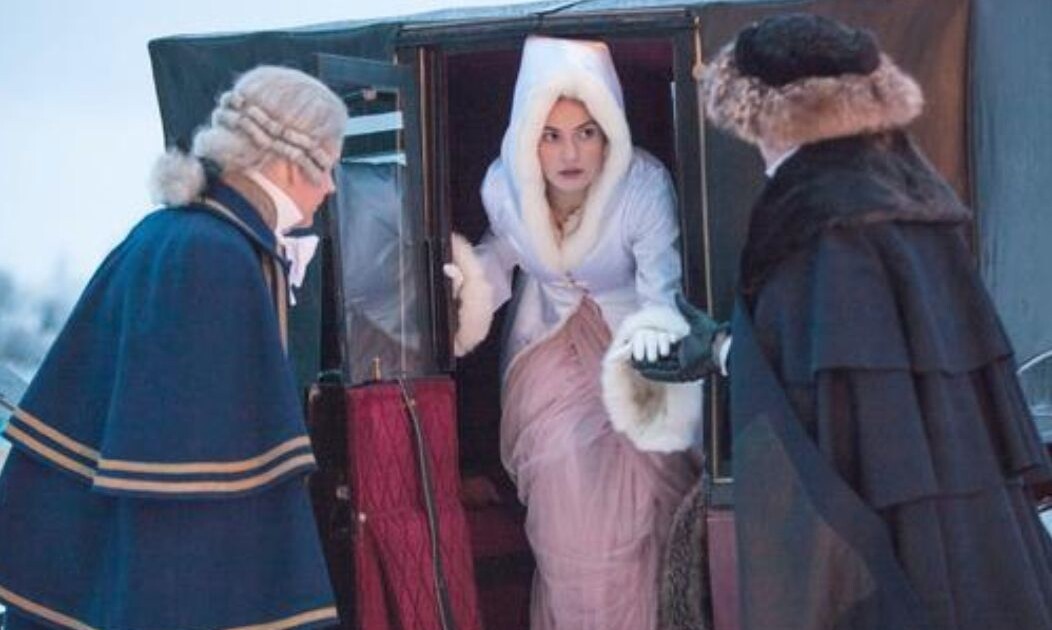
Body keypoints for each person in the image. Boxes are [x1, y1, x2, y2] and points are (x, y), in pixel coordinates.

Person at [636, 13, 1052, 630]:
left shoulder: (814, 220)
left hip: (888, 550)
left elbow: (821, 407)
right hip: (975, 535)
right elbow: (849, 365)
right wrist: (727, 345)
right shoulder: (917, 197)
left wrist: (722, 352)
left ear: (763, 114)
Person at [0, 66, 348, 629]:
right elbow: (184, 475)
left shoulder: (178, 234)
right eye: (328, 165)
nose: (331, 186)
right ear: (291, 161)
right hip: (173, 587)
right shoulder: (213, 255)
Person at [443, 36, 701, 630]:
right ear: (528, 137)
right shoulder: (504, 186)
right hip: (549, 356)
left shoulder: (642, 186)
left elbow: (662, 289)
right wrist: (463, 286)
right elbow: (501, 250)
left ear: (608, 131)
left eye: (585, 132)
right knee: (568, 522)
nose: (569, 152)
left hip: (633, 356)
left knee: (643, 520)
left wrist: (655, 379)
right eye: (551, 135)